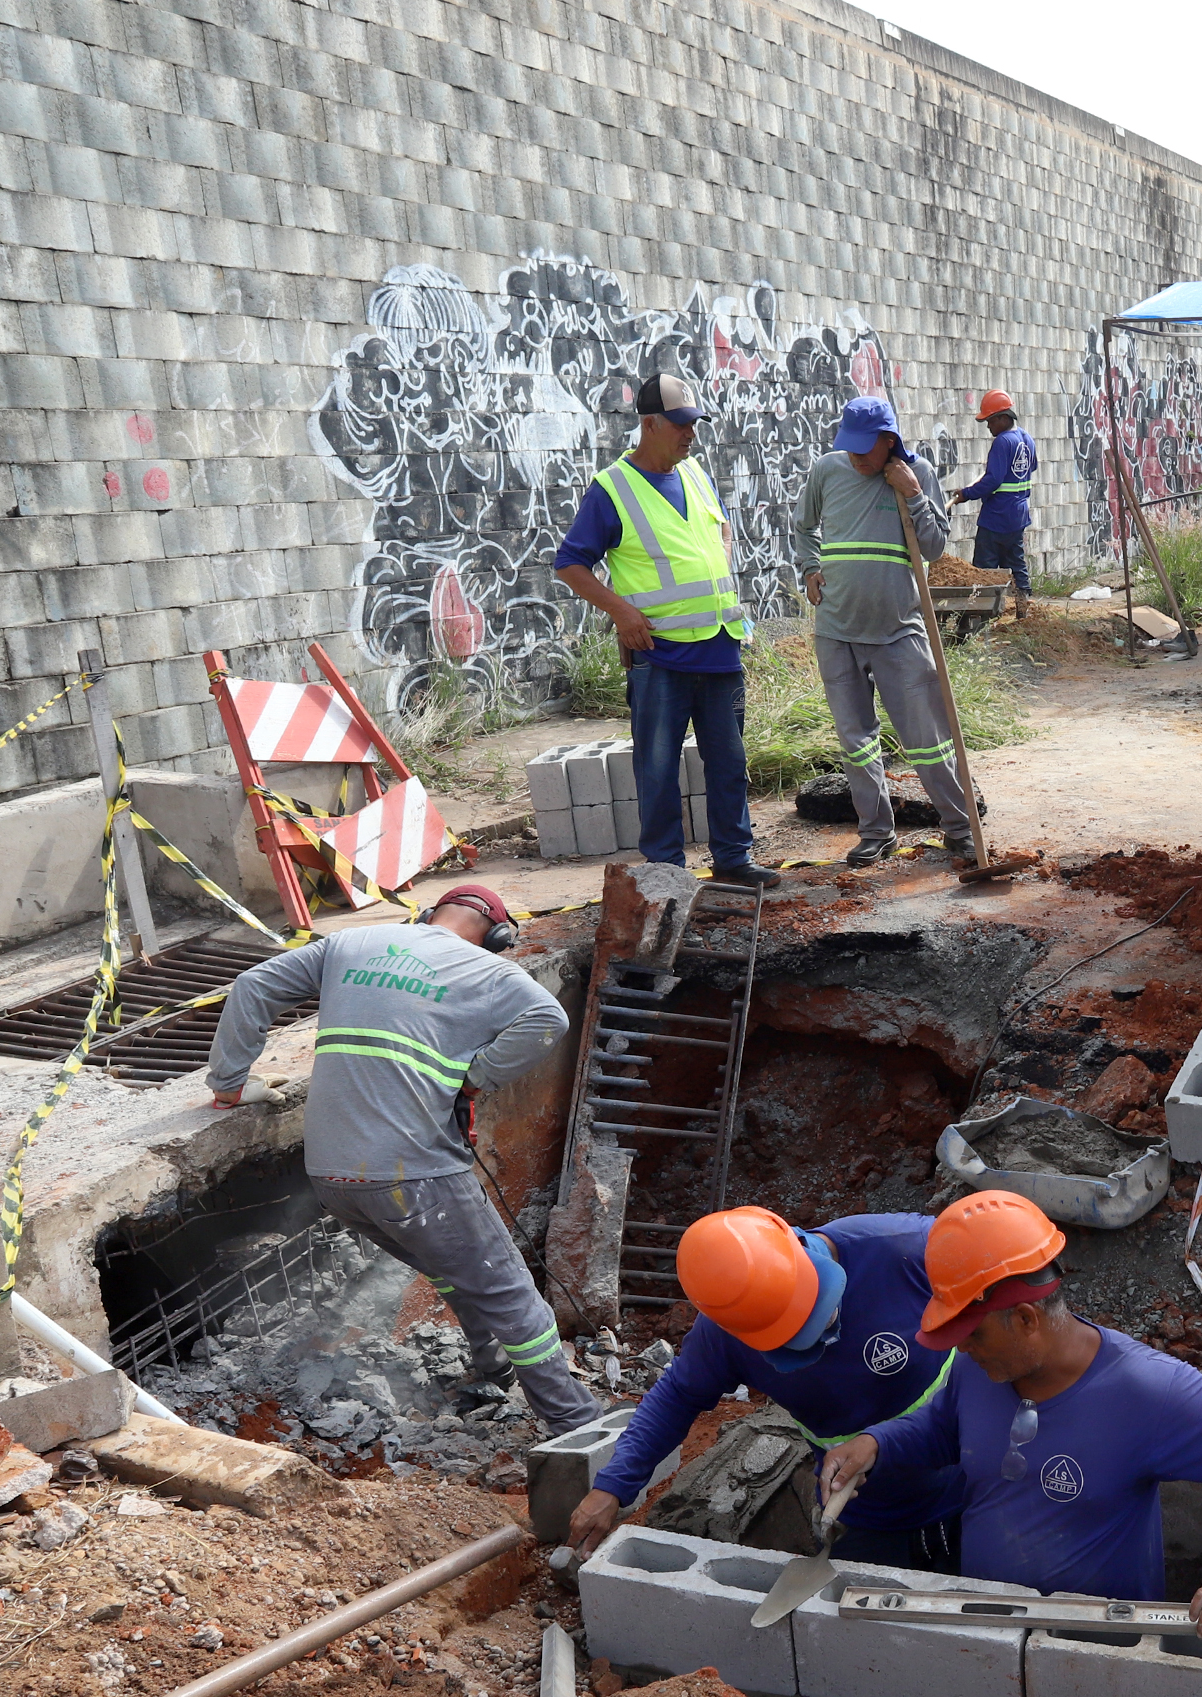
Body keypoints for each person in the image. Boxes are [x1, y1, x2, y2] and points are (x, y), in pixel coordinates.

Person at [204, 886, 602, 1433]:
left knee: (449, 1268)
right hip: (413, 1178)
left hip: (331, 1179)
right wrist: (476, 1076)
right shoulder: (488, 972)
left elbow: (252, 986)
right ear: (499, 937)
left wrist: (229, 1084)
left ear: (426, 915)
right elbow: (548, 1019)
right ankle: (576, 1423)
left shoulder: (353, 941)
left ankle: (491, 1366)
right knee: (511, 1292)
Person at [818, 1193, 1202, 1642]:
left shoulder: (1145, 1392)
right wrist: (877, 1443)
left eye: (973, 1334)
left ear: (1027, 1319)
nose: (961, 1348)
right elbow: (943, 1429)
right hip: (986, 1634)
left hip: (1099, 1652)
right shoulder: (977, 1368)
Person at [562, 1207, 966, 1567]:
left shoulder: (902, 1249)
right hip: (872, 1512)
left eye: (819, 1311)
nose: (819, 1332)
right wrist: (611, 1486)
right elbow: (677, 1397)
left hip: (981, 1482)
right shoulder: (725, 1333)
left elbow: (1003, 1285)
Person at [551, 373, 779, 889]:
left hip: (720, 646)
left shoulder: (694, 472)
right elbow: (571, 564)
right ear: (649, 424)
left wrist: (717, 562)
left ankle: (733, 859)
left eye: (694, 424)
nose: (691, 434)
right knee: (657, 771)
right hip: (662, 656)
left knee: (728, 763)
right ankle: (666, 871)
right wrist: (622, 613)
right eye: (680, 425)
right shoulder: (613, 488)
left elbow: (719, 526)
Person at [793, 395, 980, 869]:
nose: (857, 457)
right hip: (836, 630)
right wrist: (811, 567)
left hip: (899, 632)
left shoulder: (915, 475)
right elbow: (803, 527)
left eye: (866, 448)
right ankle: (877, 833)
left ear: (889, 440)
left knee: (929, 740)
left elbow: (936, 549)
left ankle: (959, 829)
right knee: (856, 740)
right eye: (850, 447)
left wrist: (914, 493)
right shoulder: (828, 470)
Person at [951, 390, 1038, 619]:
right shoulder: (1026, 438)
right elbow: (1032, 467)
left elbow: (993, 480)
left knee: (984, 567)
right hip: (1018, 515)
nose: (988, 427)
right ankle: (1023, 607)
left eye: (990, 421)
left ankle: (980, 617)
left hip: (996, 516)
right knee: (1015, 562)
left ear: (1002, 418)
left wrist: (965, 494)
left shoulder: (1002, 442)